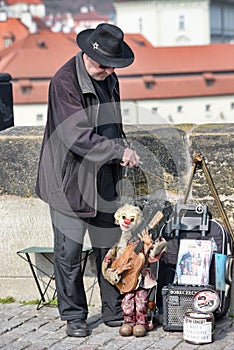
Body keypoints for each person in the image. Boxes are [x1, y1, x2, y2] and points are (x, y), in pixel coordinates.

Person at [35, 23, 140, 338]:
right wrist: (119, 152)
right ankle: (74, 316)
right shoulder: (64, 81)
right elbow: (76, 136)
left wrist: (119, 153)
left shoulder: (108, 76)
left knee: (107, 247)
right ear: (87, 53)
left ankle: (112, 310)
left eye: (113, 65)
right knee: (68, 254)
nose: (108, 70)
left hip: (104, 178)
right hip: (68, 182)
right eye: (103, 64)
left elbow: (112, 123)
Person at [102, 204, 167, 337]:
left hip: (141, 279)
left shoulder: (138, 240)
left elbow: (150, 257)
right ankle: (128, 322)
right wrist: (117, 270)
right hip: (127, 279)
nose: (127, 222)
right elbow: (108, 263)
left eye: (131, 219)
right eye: (124, 218)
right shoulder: (118, 244)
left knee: (141, 301)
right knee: (127, 302)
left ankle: (141, 322)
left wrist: (149, 244)